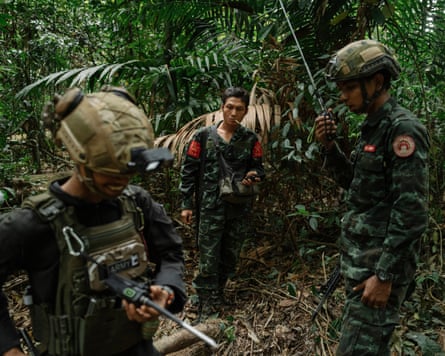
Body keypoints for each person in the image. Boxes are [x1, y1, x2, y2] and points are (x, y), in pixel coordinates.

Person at [0, 86, 186, 356]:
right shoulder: (34, 223)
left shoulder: (135, 204)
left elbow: (171, 253)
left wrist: (166, 290)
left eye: (128, 176)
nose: (121, 185)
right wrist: (9, 347)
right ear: (80, 159)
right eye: (110, 177)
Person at [314, 39, 429, 355]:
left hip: (378, 271)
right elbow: (356, 187)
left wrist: (384, 275)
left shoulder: (401, 129)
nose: (342, 96)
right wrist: (329, 148)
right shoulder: (372, 128)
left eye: (349, 87)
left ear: (377, 82)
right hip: (361, 265)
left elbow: (413, 211)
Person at [179, 87, 265, 322]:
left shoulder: (250, 139)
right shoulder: (203, 136)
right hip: (209, 208)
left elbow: (259, 168)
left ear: (246, 111)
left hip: (238, 207)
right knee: (208, 257)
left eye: (239, 108)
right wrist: (186, 204)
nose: (233, 112)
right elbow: (188, 171)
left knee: (229, 256)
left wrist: (253, 175)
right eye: (229, 107)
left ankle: (216, 294)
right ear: (222, 107)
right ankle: (206, 305)